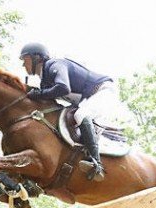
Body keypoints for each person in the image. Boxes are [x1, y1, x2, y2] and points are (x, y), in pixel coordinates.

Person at [19, 42, 121, 182]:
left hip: (103, 90)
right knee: (74, 116)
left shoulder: (54, 64)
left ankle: (96, 164)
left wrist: (38, 94)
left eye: (26, 60)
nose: (23, 65)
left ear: (38, 57)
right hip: (87, 99)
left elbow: (63, 88)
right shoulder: (45, 81)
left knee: (81, 115)